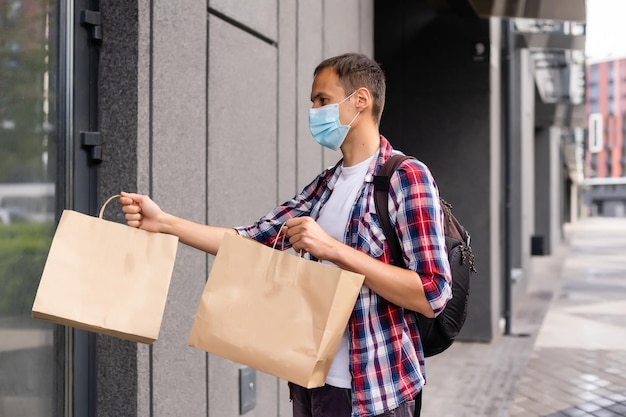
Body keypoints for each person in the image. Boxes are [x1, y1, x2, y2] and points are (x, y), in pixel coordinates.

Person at [120, 52, 452, 417]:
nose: (314, 110)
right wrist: (165, 223)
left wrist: (332, 250)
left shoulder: (406, 177)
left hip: (374, 393)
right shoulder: (326, 185)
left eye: (323, 100)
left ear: (360, 100)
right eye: (312, 101)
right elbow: (250, 239)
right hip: (311, 382)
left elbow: (432, 292)